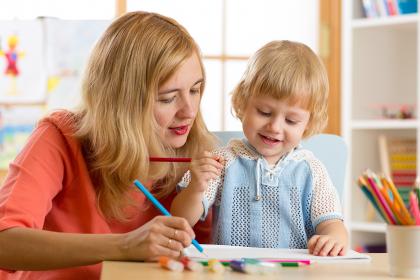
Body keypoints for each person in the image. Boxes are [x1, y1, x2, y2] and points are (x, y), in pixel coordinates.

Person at [0, 11, 217, 279]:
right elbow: (5, 243)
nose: (189, 111)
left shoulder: (195, 156)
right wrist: (125, 246)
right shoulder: (60, 137)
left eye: (195, 90)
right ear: (122, 103)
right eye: (167, 98)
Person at [171, 40, 348, 256]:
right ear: (243, 103)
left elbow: (332, 223)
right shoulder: (223, 161)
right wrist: (196, 186)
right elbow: (180, 218)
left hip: (295, 272)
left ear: (308, 124)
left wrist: (333, 239)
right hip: (231, 270)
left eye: (291, 121)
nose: (274, 127)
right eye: (264, 112)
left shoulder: (312, 170)